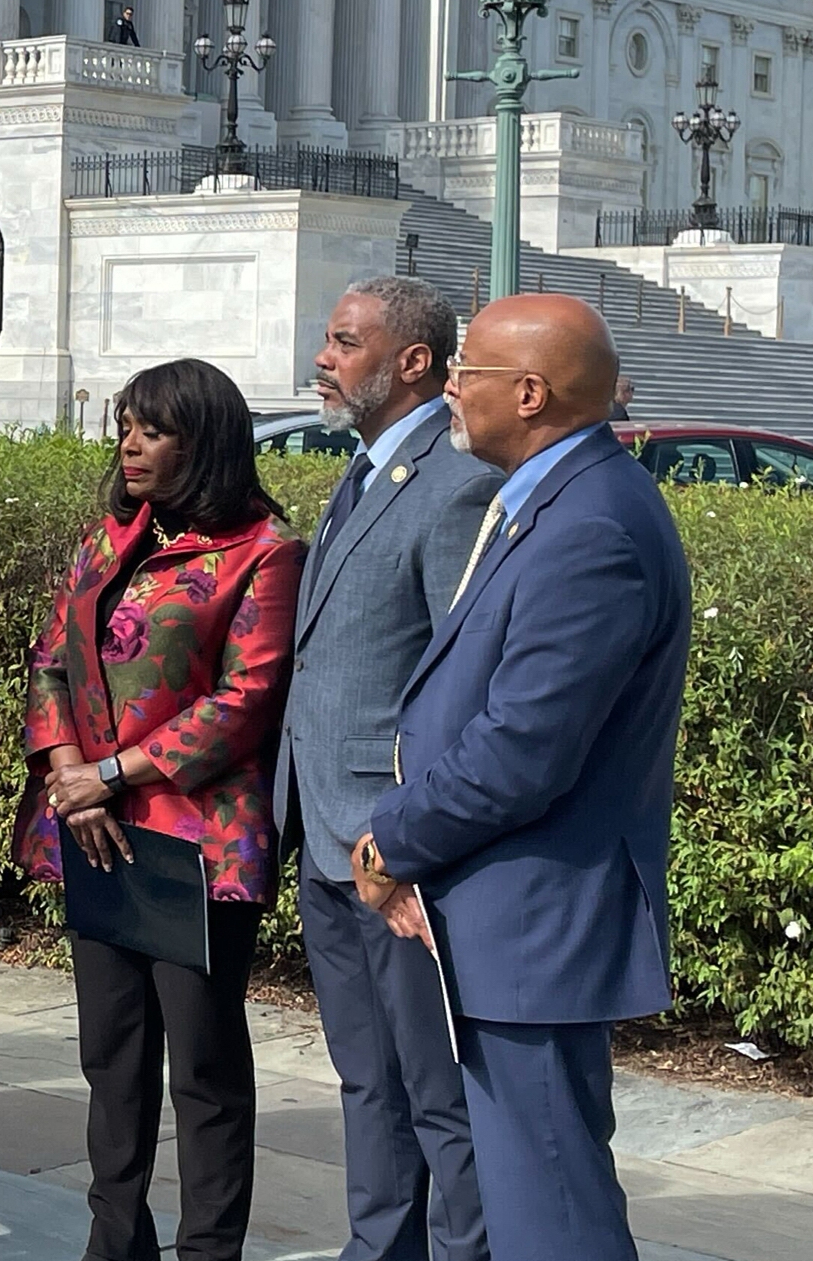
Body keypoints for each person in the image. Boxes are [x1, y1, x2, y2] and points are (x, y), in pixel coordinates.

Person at [354, 296, 691, 1261]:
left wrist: (392, 840)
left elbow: (522, 749)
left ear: (531, 393)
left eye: (468, 371)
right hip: (507, 919)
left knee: (553, 1211)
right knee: (534, 1197)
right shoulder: (555, 496)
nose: (449, 388)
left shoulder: (592, 522)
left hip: (535, 926)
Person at [16, 358, 301, 1261]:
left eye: (152, 429)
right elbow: (49, 656)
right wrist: (71, 773)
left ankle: (208, 1249)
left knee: (205, 1067)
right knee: (112, 1056)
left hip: (196, 848)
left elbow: (245, 699)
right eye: (124, 426)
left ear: (204, 440)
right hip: (92, 827)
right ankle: (114, 1242)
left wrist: (112, 771)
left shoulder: (263, 551)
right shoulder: (109, 536)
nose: (128, 445)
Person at [279, 280, 498, 1261]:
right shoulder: (362, 470)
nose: (323, 356)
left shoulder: (454, 485)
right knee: (367, 1081)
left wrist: (411, 842)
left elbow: (460, 689)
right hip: (324, 834)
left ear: (415, 360)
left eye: (343, 340)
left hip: (391, 849)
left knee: (438, 1096)